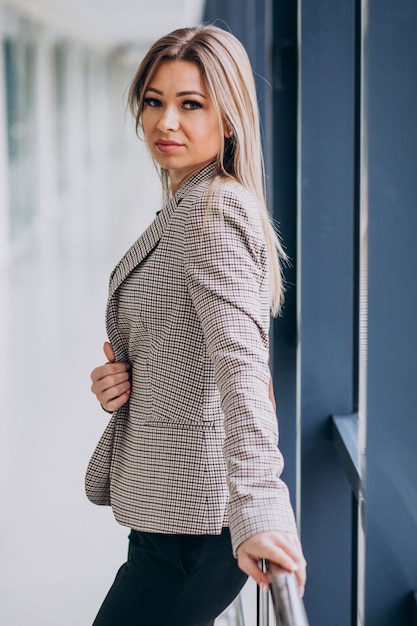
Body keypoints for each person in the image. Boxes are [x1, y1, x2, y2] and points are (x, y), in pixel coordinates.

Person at [86, 24, 306, 626]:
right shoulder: (189, 200)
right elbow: (194, 344)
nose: (166, 123)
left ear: (228, 117)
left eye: (191, 105)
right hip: (172, 517)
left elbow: (243, 373)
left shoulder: (212, 212)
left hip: (198, 530)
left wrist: (260, 509)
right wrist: (124, 380)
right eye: (155, 102)